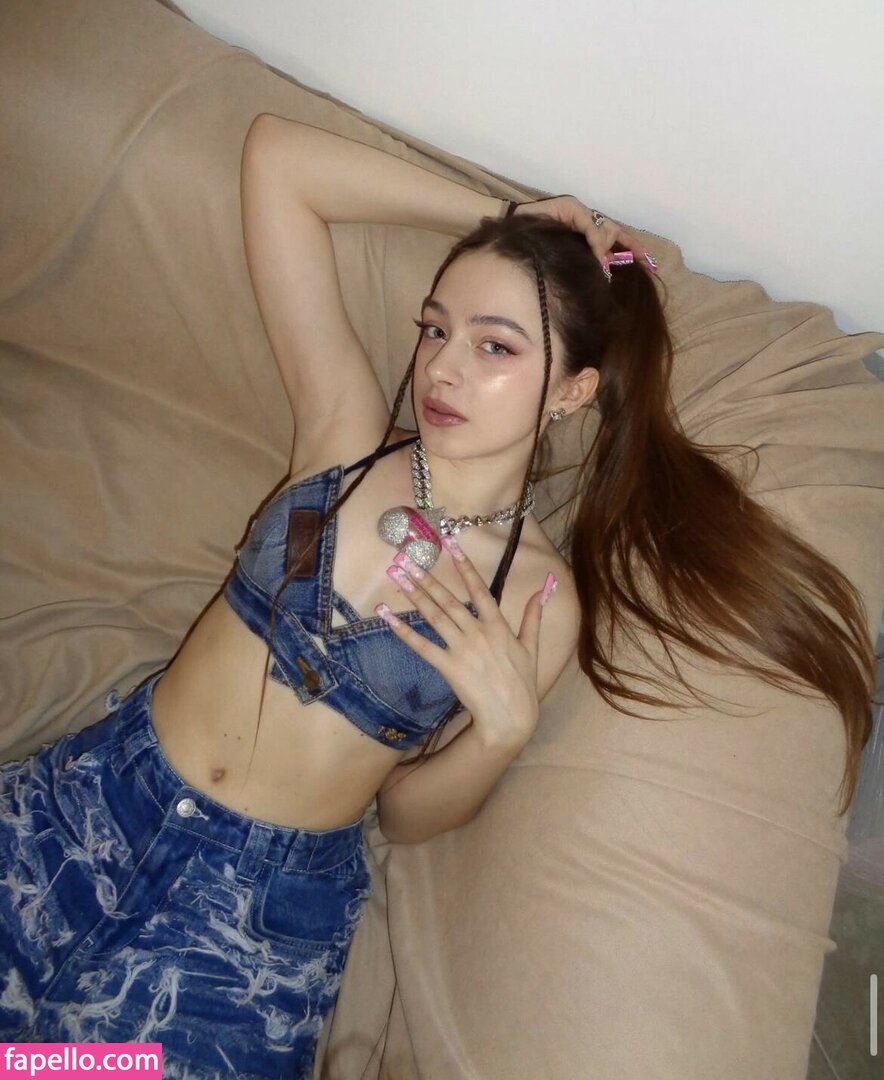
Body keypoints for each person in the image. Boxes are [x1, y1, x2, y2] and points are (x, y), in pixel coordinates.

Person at [0, 114, 874, 1079]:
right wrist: (505, 216)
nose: (443, 368)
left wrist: (500, 733)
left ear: (573, 392)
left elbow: (405, 816)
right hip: (92, 805)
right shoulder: (344, 438)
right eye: (435, 329)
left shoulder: (537, 598)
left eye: (497, 347)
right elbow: (276, 161)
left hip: (246, 930)